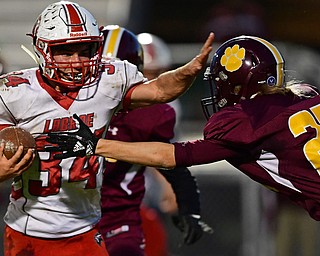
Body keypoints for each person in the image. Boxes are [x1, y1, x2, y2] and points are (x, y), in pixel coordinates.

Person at [0, 1, 214, 255]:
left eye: (84, 51)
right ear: (43, 49)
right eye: (66, 53)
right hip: (29, 228)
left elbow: (159, 91)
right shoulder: (14, 92)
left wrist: (187, 72)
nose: (76, 63)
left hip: (88, 226)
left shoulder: (109, 81)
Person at [46, 35, 320, 227]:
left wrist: (96, 145)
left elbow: (173, 156)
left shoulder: (245, 122)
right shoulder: (307, 96)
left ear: (235, 83)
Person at [98, 25, 206, 256]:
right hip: (64, 217)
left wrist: (187, 202)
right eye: (102, 71)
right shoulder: (59, 103)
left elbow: (167, 158)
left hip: (120, 215)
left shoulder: (152, 113)